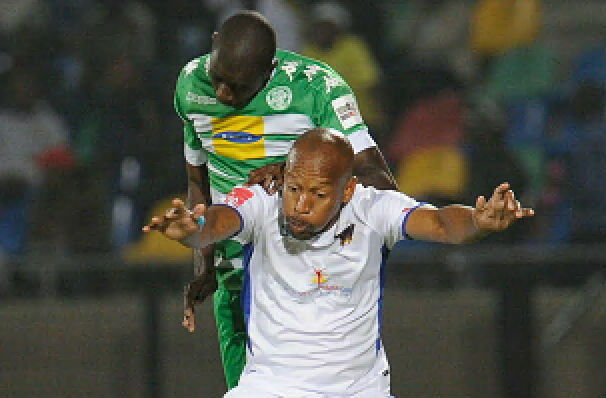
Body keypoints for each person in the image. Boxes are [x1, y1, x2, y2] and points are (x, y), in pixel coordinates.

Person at [143, 128, 533, 398]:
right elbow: (215, 223)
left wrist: (480, 222)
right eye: (294, 189)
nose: (300, 204)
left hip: (359, 390)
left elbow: (444, 224)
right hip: (271, 387)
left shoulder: (372, 208)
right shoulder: (263, 199)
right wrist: (190, 230)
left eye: (317, 193)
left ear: (347, 189)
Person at [173, 10, 396, 389]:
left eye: (240, 87)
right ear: (212, 44)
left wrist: (296, 168)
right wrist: (204, 263)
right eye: (219, 79)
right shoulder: (190, 86)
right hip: (235, 275)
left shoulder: (318, 89)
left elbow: (380, 183)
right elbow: (199, 177)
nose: (224, 95)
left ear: (271, 69)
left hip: (304, 273)